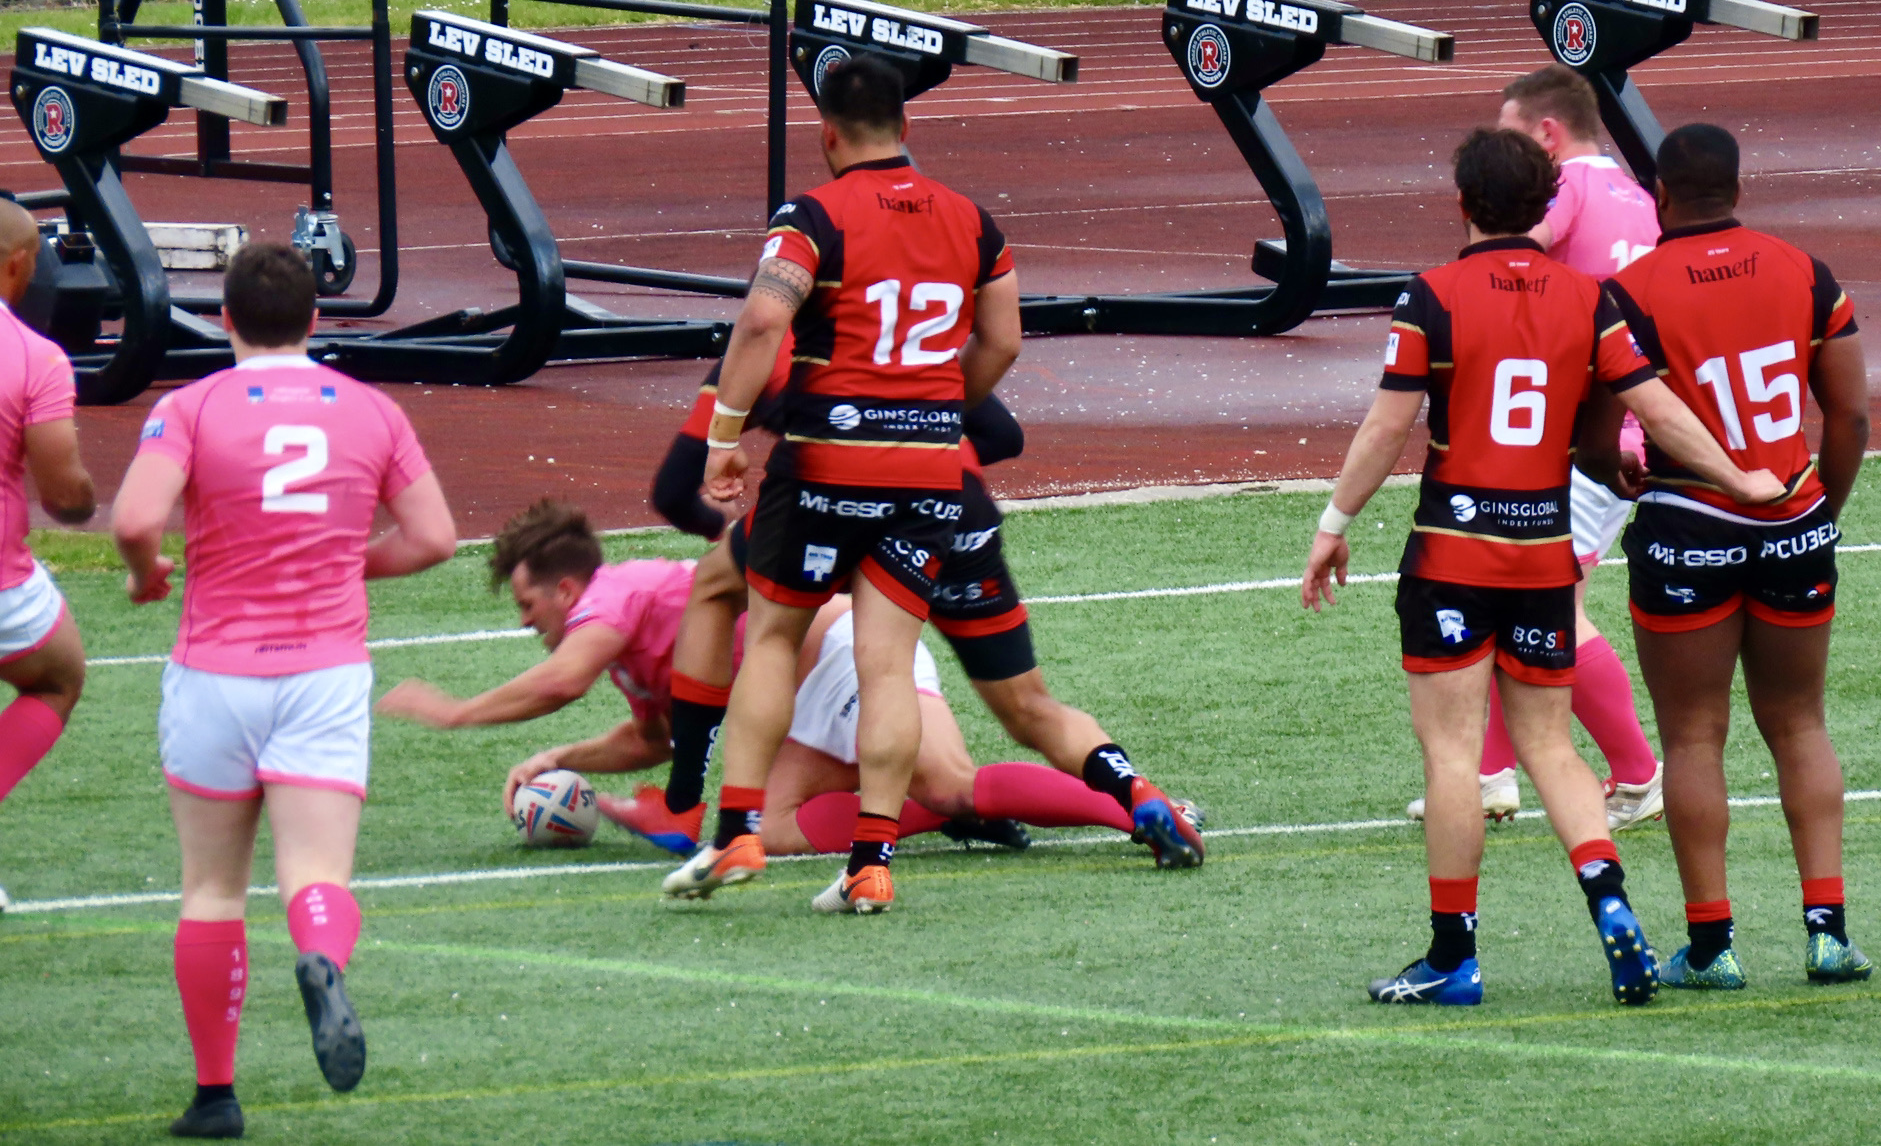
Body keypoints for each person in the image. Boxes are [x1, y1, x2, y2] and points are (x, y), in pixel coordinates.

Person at [1301, 128, 1782, 1007]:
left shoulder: (1431, 296)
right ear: (1544, 205)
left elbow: (1386, 428)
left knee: (1453, 757)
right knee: (1553, 747)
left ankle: (1453, 958)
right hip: (1543, 558)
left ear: (1462, 203)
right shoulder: (1589, 299)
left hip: (1452, 554)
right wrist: (1736, 475)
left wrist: (1334, 524)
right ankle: (1610, 903)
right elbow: (1658, 411)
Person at [663, 53, 1023, 915]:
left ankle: (738, 830)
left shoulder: (812, 217)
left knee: (773, 637)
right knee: (888, 665)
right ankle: (871, 861)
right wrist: (940, 406)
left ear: (827, 134)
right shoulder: (974, 221)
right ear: (906, 125)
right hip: (929, 470)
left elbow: (763, 318)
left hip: (826, 462)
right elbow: (1004, 342)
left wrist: (723, 436)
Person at [110, 243, 456, 1139]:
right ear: (315, 318)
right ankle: (320, 956)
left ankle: (215, 1096)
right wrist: (346, 562)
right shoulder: (371, 410)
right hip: (323, 674)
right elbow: (434, 538)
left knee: (211, 890)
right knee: (316, 875)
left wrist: (146, 575)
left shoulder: (189, 407)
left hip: (215, 674)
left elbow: (137, 519)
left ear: (223, 318)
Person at [644, 379, 1205, 868]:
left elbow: (674, 490)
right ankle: (1137, 793)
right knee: (1028, 707)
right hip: (949, 494)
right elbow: (1002, 419)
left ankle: (691, 808)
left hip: (843, 500)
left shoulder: (781, 320)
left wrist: (733, 454)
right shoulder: (920, 307)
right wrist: (930, 431)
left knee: (937, 769)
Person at [376, 501, 1137, 853]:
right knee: (768, 829)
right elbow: (656, 740)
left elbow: (559, 682)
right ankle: (937, 816)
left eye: (527, 603)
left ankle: (1137, 809)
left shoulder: (611, 598)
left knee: (951, 783)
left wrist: (457, 713)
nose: (525, 621)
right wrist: (559, 758)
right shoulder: (627, 635)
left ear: (568, 590)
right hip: (800, 698)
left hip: (847, 656)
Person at [1601, 124, 1872, 989]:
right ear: (1739, 189)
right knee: (1800, 724)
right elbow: (1850, 416)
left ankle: (1713, 946)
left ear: (1660, 195)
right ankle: (1828, 934)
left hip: (1689, 527)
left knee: (1692, 735)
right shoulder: (1805, 272)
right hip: (1794, 521)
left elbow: (1597, 436)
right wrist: (1821, 513)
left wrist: (1616, 468)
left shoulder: (1628, 291)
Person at [1406, 66, 1664, 829]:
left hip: (1580, 437)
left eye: (1511, 133)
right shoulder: (1635, 194)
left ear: (1547, 134)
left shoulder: (1570, 186)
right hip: (1616, 425)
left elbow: (1509, 256)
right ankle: (1490, 774)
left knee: (1558, 607)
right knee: (1510, 591)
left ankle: (1639, 775)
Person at [0, 198, 96, 914]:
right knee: (59, 675)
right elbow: (64, 497)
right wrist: (87, 498)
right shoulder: (35, 358)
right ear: (18, 265)